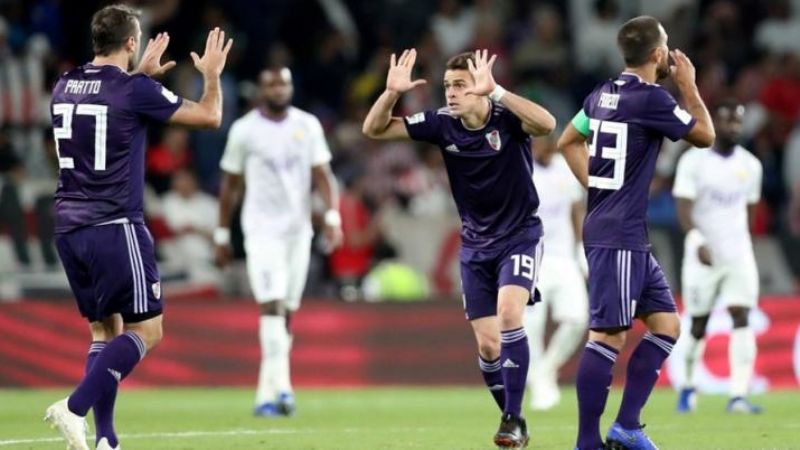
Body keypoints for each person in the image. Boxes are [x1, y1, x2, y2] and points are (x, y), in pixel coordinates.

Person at [44, 5, 232, 450]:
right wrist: (211, 74)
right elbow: (209, 117)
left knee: (103, 330)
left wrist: (141, 76)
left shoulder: (63, 85)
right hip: (114, 224)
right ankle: (73, 408)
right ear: (131, 42)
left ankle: (106, 438)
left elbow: (109, 105)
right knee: (147, 330)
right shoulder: (133, 90)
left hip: (69, 226)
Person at [363, 48, 556, 449]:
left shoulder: (507, 117)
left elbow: (548, 124)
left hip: (519, 235)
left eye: (460, 86)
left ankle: (514, 419)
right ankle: (512, 418)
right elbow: (375, 129)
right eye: (447, 86)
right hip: (475, 245)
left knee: (509, 313)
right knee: (487, 344)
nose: (451, 94)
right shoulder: (441, 124)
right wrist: (391, 93)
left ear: (480, 88)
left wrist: (498, 92)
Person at [557, 15, 715, 450]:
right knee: (608, 335)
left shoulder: (601, 95)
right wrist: (689, 86)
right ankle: (587, 442)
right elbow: (705, 134)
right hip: (618, 234)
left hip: (622, 231)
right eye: (667, 47)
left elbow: (567, 140)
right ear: (659, 54)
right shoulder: (652, 99)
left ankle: (627, 426)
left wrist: (598, 183)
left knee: (666, 326)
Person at [215, 66, 342, 417]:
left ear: (291, 86)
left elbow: (324, 176)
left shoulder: (308, 125)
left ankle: (265, 395)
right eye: (271, 83)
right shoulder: (244, 130)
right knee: (271, 305)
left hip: (299, 231)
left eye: (284, 82)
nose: (279, 88)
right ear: (261, 89)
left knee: (285, 313)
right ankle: (284, 389)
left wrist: (332, 217)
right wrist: (222, 233)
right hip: (261, 230)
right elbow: (230, 185)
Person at [672, 100, 763, 414]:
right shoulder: (693, 161)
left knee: (742, 316)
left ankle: (738, 395)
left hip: (737, 254)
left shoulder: (751, 165)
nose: (733, 128)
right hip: (702, 255)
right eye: (727, 121)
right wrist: (697, 239)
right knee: (698, 323)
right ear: (714, 122)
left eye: (738, 122)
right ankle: (687, 386)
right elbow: (683, 206)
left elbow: (749, 212)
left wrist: (740, 244)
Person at [524, 135, 588, 411]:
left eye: (545, 141)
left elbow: (576, 210)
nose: (540, 147)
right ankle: (540, 386)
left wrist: (581, 248)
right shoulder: (522, 170)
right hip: (531, 257)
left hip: (563, 257)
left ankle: (545, 370)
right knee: (531, 327)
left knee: (577, 319)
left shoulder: (565, 167)